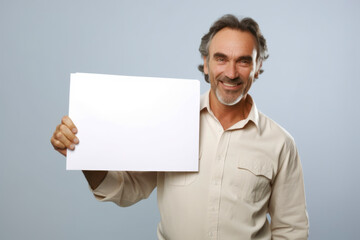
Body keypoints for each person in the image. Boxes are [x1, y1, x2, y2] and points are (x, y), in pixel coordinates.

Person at [51, 14, 309, 240]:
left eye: (243, 61)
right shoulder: (169, 120)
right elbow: (127, 189)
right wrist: (83, 152)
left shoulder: (280, 143)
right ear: (206, 64)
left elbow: (291, 230)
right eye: (221, 58)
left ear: (257, 67)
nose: (231, 72)